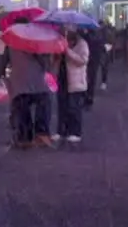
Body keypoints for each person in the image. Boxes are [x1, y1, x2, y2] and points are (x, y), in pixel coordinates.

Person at [6, 18, 52, 147]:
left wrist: (0, 76)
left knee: (22, 110)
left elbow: (4, 60)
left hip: (19, 81)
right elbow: (43, 61)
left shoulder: (10, 41)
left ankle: (24, 137)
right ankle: (41, 134)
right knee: (44, 104)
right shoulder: (34, 40)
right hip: (37, 81)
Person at [53, 29, 89, 144]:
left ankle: (75, 132)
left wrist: (67, 51)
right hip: (62, 78)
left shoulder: (82, 44)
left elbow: (82, 60)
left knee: (74, 107)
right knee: (62, 106)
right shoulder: (63, 43)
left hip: (75, 81)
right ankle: (61, 131)